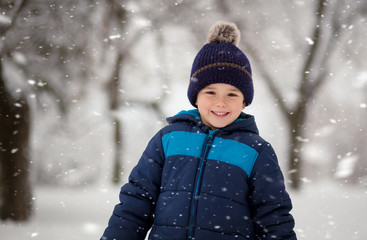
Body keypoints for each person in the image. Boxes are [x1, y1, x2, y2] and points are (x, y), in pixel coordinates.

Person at [100, 21, 297, 240]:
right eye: (210, 92)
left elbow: (273, 218)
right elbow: (137, 201)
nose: (220, 102)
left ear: (244, 102)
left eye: (232, 94)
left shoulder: (256, 152)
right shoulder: (170, 139)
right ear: (196, 97)